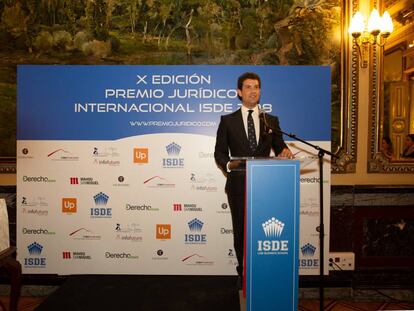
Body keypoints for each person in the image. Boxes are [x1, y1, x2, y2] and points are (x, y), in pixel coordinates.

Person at [214, 72, 293, 280]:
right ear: (239, 92)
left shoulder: (271, 120)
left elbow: (280, 147)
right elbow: (219, 152)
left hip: (265, 186)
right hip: (238, 186)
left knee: (263, 232)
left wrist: (285, 151)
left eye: (256, 87)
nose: (253, 91)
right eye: (248, 87)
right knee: (241, 232)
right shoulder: (228, 121)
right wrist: (228, 164)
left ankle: (262, 273)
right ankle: (244, 273)